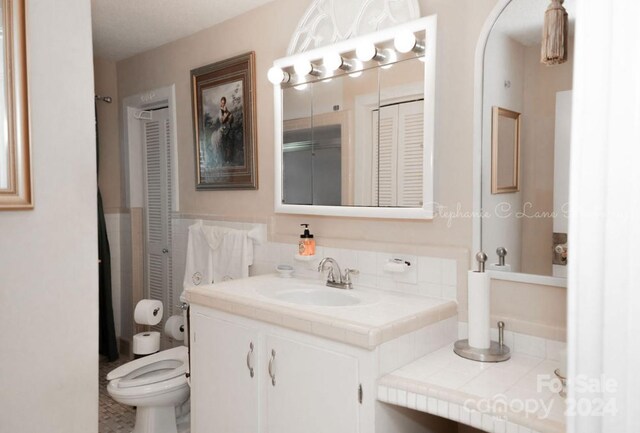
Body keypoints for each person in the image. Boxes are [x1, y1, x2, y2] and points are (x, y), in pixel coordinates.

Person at [219, 96, 234, 164]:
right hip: (223, 129)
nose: (223, 104)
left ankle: (229, 160)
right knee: (223, 144)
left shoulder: (226, 110)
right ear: (220, 103)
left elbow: (231, 117)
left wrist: (228, 114)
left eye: (224, 103)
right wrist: (227, 115)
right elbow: (221, 121)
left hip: (228, 128)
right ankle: (224, 160)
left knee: (230, 144)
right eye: (222, 103)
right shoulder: (220, 111)